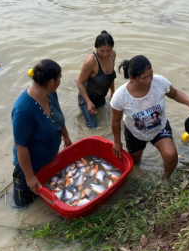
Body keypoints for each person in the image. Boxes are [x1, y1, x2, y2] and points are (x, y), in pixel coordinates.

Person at [109, 55, 189, 182]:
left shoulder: (159, 82)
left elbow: (174, 93)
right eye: (144, 78)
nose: (149, 80)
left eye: (151, 74)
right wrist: (117, 141)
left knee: (171, 156)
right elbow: (115, 120)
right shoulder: (120, 96)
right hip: (135, 133)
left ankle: (165, 179)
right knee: (135, 163)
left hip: (159, 127)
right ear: (132, 78)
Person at [11, 59, 72, 207]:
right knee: (22, 205)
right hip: (29, 167)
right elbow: (21, 146)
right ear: (51, 81)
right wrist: (30, 177)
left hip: (49, 160)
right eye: (59, 79)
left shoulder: (50, 93)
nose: (60, 82)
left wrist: (66, 136)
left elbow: (57, 116)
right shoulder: (24, 110)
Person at [76, 30, 116, 128]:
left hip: (101, 97)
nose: (106, 54)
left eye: (108, 50)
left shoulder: (112, 55)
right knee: (93, 127)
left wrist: (113, 92)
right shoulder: (91, 61)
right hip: (87, 99)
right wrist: (88, 102)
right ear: (96, 48)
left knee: (110, 120)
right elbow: (80, 83)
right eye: (102, 51)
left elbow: (110, 76)